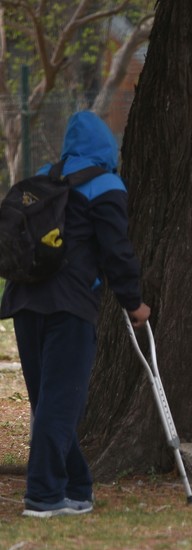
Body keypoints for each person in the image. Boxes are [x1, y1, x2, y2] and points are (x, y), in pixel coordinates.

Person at [1, 111, 150, 518]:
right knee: (60, 404)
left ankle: (76, 487)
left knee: (48, 401)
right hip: (70, 305)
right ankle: (44, 495)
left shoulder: (45, 177)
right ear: (106, 147)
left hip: (26, 301)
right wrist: (133, 303)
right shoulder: (105, 184)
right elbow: (117, 252)